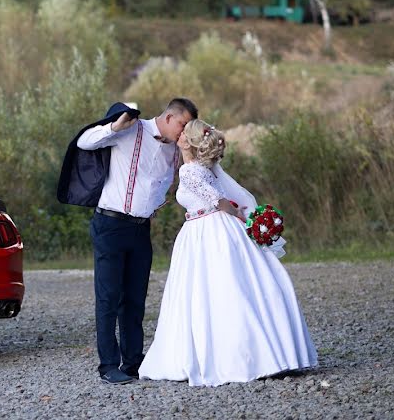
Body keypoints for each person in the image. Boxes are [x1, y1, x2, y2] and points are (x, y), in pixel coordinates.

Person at [139, 119, 318, 386]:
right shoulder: (206, 167)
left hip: (205, 230)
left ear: (188, 141)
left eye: (182, 134)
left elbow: (217, 199)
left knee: (211, 291)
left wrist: (235, 212)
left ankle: (232, 356)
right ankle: (268, 352)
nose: (178, 136)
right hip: (217, 228)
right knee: (238, 286)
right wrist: (242, 219)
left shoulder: (189, 171)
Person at [61, 98, 198, 385]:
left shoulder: (177, 148)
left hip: (141, 229)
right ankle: (108, 365)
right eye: (183, 124)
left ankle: (133, 362)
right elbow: (85, 142)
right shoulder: (131, 128)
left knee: (135, 299)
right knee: (109, 298)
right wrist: (113, 127)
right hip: (110, 223)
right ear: (170, 117)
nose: (184, 131)